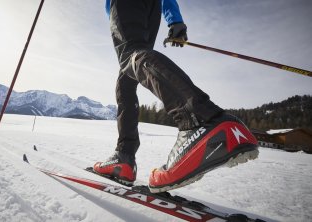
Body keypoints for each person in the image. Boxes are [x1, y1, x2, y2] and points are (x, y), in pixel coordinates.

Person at [93, 0, 259, 193]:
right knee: (127, 78)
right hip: (151, 9)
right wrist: (174, 20)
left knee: (131, 55)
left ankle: (199, 119)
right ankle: (124, 156)